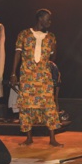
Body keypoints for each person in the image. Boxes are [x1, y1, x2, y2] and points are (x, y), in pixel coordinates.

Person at [9, 9, 63, 147]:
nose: (49, 22)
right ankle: (28, 138)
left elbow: (53, 57)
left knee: (49, 105)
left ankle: (52, 139)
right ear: (40, 18)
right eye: (47, 19)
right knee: (26, 106)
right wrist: (13, 73)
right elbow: (17, 54)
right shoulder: (24, 34)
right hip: (27, 75)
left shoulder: (51, 37)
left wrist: (54, 48)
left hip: (44, 76)